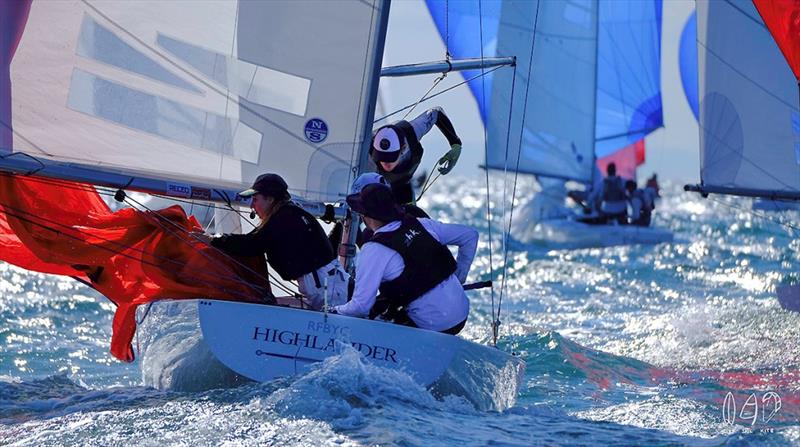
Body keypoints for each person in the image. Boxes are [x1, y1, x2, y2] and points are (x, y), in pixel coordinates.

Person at [333, 183, 478, 334]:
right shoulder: (421, 224)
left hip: (436, 327)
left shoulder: (373, 250)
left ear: (366, 216)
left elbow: (360, 307)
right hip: (462, 314)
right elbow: (470, 236)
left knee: (372, 317)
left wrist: (333, 311)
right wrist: (460, 277)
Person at [205, 173, 349, 310]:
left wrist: (213, 240)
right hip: (329, 284)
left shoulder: (284, 218)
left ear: (270, 199)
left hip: (329, 288)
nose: (251, 206)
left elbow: (251, 244)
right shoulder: (290, 214)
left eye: (255, 200)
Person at [370, 107, 462, 205]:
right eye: (380, 157)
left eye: (389, 158)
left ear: (403, 148)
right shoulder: (366, 156)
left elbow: (436, 113)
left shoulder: (412, 132)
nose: (384, 162)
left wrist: (455, 144)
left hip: (404, 185)